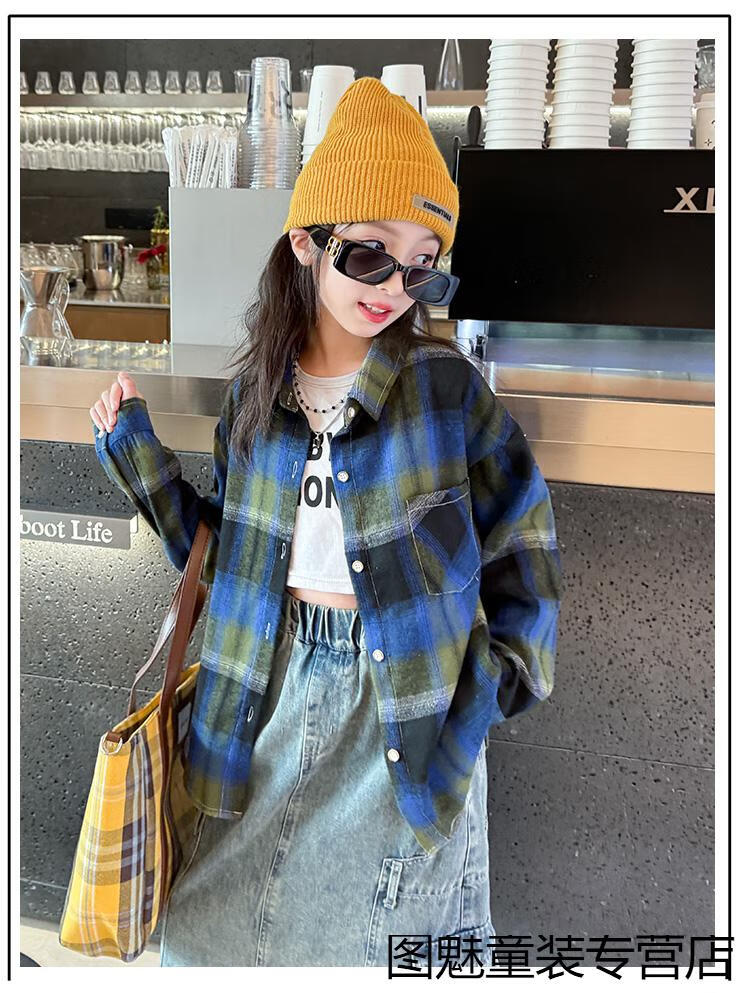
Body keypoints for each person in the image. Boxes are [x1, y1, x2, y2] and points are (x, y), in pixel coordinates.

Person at [89, 76, 563, 968]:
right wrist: (138, 460)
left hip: (402, 713)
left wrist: (479, 699)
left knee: (371, 950)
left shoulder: (445, 393)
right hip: (262, 697)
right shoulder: (256, 395)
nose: (394, 286)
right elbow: (224, 561)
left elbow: (526, 555)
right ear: (306, 241)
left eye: (421, 264)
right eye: (370, 253)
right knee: (207, 945)